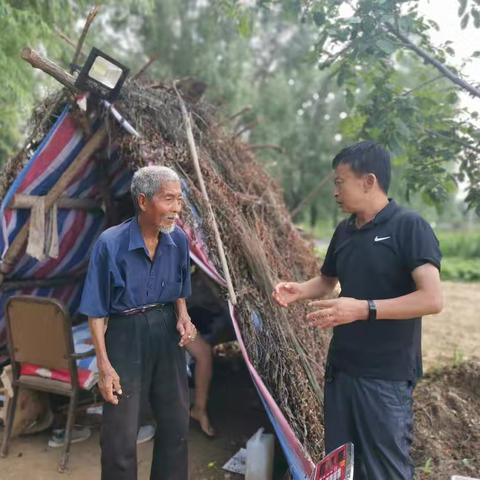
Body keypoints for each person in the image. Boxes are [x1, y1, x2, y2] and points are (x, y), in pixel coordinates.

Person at [272, 141, 443, 480]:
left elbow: (432, 299)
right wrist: (299, 290)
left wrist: (363, 309)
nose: (335, 191)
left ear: (368, 181)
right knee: (341, 465)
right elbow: (326, 280)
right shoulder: (346, 230)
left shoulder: (409, 227)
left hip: (385, 377)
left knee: (384, 469)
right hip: (342, 370)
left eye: (340, 181)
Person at [79, 165, 197, 480]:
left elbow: (180, 289)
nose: (176, 208)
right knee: (121, 434)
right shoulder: (110, 244)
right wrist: (103, 365)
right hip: (125, 332)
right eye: (168, 199)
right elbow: (95, 309)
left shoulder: (179, 241)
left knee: (176, 423)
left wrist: (184, 317)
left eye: (179, 200)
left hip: (166, 330)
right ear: (143, 201)